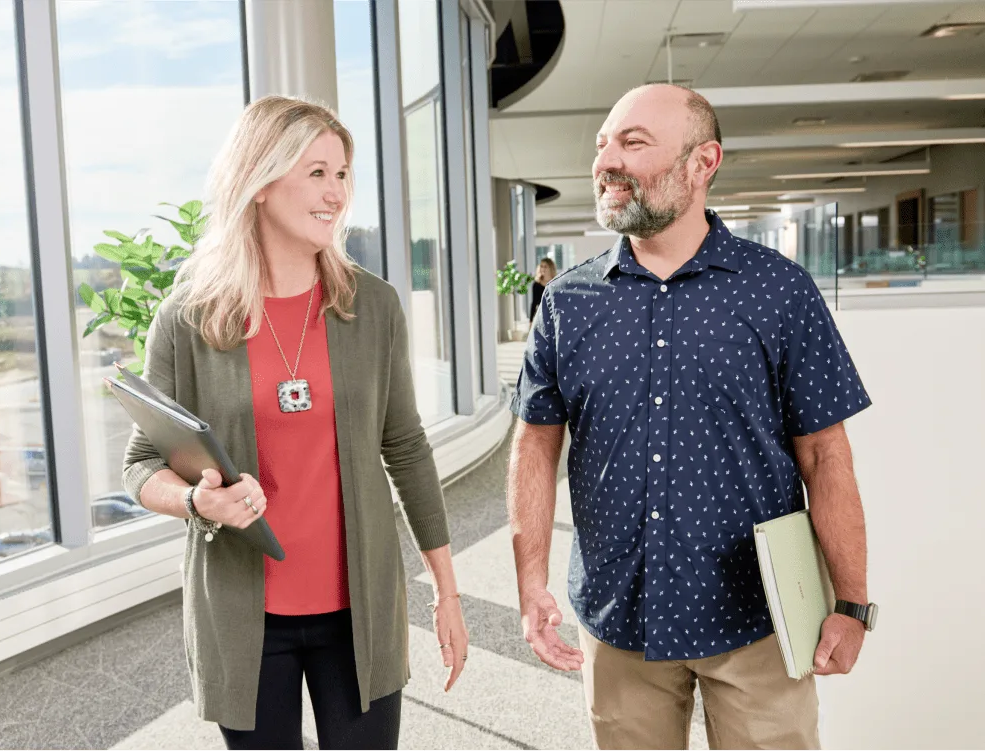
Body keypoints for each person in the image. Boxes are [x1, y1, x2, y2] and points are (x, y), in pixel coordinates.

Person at [505, 83, 876, 751]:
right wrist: (529, 580)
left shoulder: (779, 291)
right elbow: (534, 446)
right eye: (603, 143)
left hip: (756, 622)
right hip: (619, 621)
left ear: (703, 162)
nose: (607, 160)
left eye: (633, 142)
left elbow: (825, 453)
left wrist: (851, 602)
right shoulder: (566, 304)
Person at [122, 95, 469, 751]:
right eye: (315, 172)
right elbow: (141, 463)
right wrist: (199, 500)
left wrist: (447, 592)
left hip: (357, 609)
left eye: (342, 173)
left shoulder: (372, 305)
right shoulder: (187, 318)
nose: (336, 192)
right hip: (243, 615)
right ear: (259, 181)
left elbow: (406, 448)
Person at [529, 257, 557, 322]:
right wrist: (531, 321)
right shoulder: (536, 284)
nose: (543, 269)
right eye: (541, 266)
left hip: (554, 315)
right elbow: (534, 303)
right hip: (541, 317)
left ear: (551, 268)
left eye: (545, 266)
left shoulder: (556, 283)